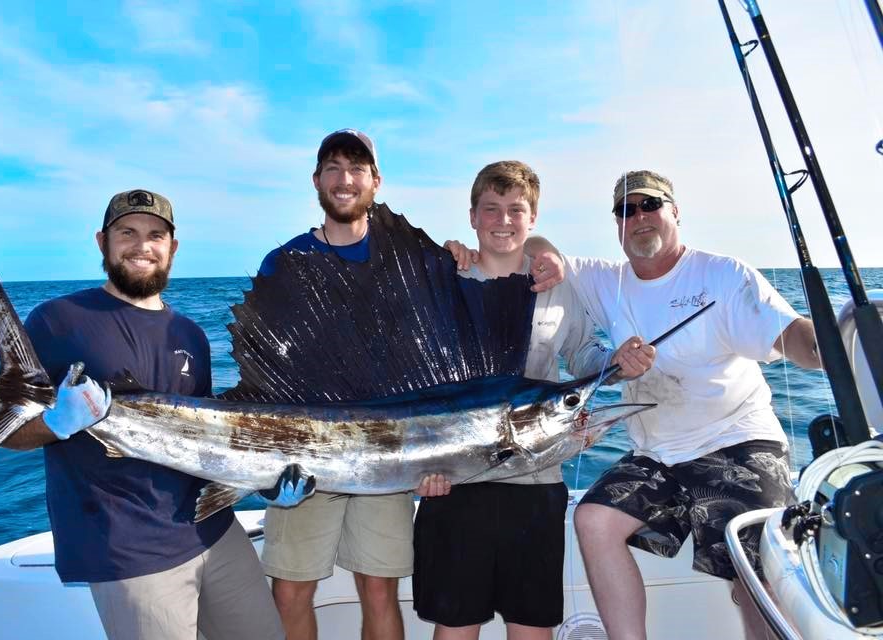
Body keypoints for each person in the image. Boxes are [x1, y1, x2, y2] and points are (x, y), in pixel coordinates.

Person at [531, 170, 821, 640]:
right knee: (594, 519)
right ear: (616, 224)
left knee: (750, 566)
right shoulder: (606, 280)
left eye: (650, 204)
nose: (639, 216)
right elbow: (536, 242)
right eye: (625, 210)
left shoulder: (723, 274)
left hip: (738, 442)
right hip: (660, 454)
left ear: (675, 211)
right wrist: (545, 259)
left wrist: (835, 344)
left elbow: (793, 338)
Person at [2, 189, 288, 640]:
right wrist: (57, 424)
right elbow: (9, 431)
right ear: (102, 242)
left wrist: (264, 478)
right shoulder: (57, 320)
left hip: (214, 532)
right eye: (127, 233)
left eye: (156, 235)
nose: (142, 245)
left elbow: (208, 441)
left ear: (172, 248)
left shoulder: (191, 334)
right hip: (127, 549)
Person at [414, 161, 654, 640]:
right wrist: (415, 468)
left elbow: (584, 353)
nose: (504, 221)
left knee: (532, 626)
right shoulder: (445, 280)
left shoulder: (556, 283)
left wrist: (616, 361)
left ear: (533, 217)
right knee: (455, 627)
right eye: (492, 210)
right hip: (455, 484)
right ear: (473, 216)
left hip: (536, 481)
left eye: (516, 211)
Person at [258, 129, 415, 640]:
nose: (345, 179)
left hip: (389, 452)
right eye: (333, 167)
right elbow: (266, 374)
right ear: (316, 180)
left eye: (357, 168)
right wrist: (263, 466)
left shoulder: (408, 259)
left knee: (378, 589)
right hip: (303, 452)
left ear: (376, 180)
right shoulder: (283, 263)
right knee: (290, 590)